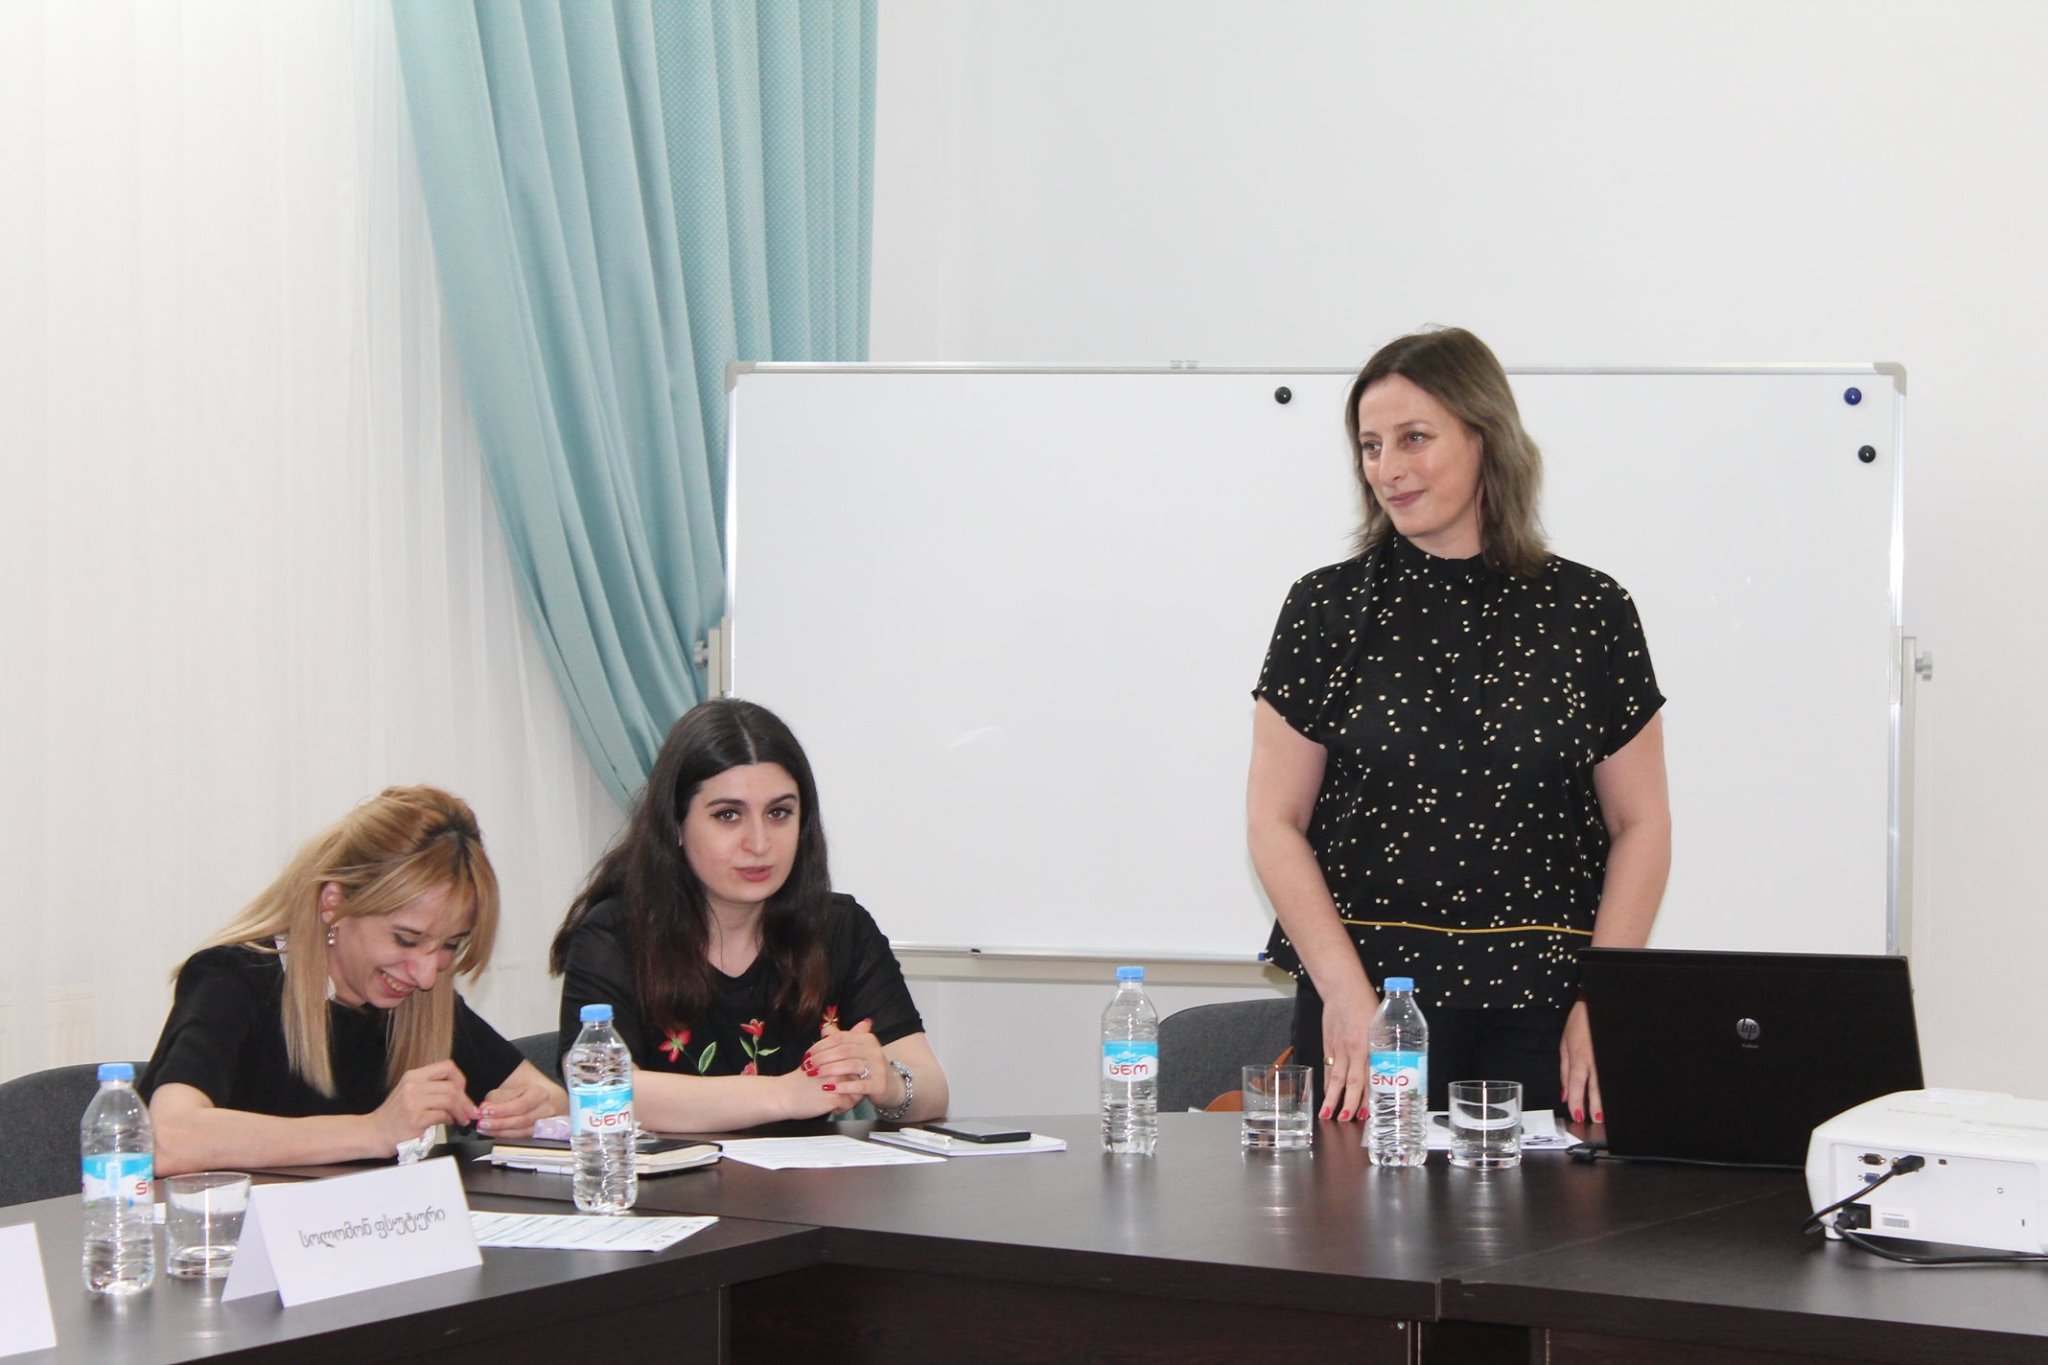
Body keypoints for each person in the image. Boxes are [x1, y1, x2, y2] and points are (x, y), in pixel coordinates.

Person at [1246, 327, 1670, 1128]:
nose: (1387, 468)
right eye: (1370, 446)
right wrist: (1344, 993)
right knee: (1352, 1211)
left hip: (1548, 1013)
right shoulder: (1325, 609)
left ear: (1486, 438)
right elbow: (1275, 819)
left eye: (1414, 438)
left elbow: (1640, 822)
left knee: (1554, 1213)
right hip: (1370, 1006)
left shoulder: (1590, 611)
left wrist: (1605, 998)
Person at [550, 698, 948, 1131]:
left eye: (779, 813)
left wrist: (889, 1083)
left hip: (806, 1177)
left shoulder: (839, 929)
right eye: (728, 815)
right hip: (674, 1178)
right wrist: (787, 1094)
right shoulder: (613, 935)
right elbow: (601, 1089)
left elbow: (933, 1090)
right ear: (676, 825)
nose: (759, 843)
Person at [142, 787, 564, 1175]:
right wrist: (373, 1131)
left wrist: (529, 1112)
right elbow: (168, 1138)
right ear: (334, 904)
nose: (425, 974)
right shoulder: (232, 978)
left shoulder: (419, 1001)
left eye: (450, 945)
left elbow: (557, 1101)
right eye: (406, 938)